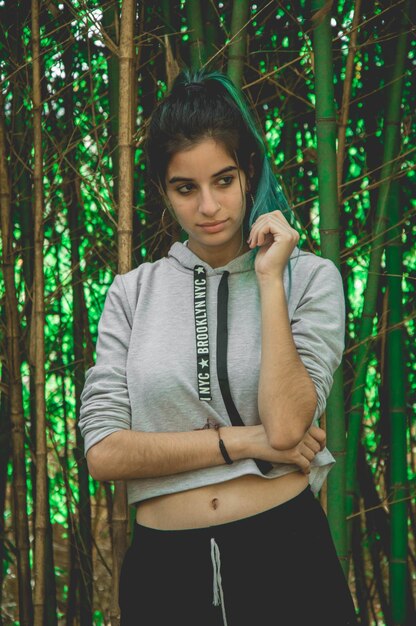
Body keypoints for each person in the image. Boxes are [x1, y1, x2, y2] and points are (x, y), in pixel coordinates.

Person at [79, 67, 358, 626]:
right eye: (186, 188)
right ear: (163, 189)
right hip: (164, 574)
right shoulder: (132, 294)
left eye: (224, 181)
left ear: (248, 172)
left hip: (286, 558)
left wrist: (271, 279)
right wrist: (246, 441)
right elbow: (104, 451)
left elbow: (287, 427)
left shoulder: (310, 278)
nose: (208, 207)